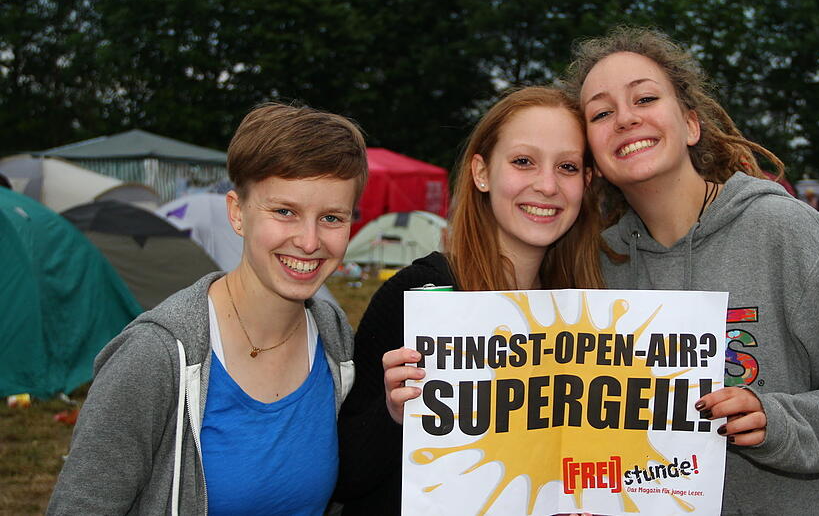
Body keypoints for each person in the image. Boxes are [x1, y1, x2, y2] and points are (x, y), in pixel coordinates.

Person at [563, 27, 819, 515]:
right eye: (601, 113)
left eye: (644, 97)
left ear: (690, 124)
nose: (625, 118)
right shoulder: (596, 267)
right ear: (592, 161)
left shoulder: (787, 233)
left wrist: (779, 419)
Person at [48, 103, 368, 514]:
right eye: (284, 211)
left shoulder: (333, 336)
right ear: (237, 212)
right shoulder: (156, 356)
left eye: (331, 218)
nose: (309, 241)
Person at [334, 86, 605, 515]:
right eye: (523, 161)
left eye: (568, 167)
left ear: (586, 183)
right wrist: (391, 415)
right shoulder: (417, 295)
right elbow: (347, 479)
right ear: (481, 172)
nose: (547, 184)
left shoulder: (591, 317)